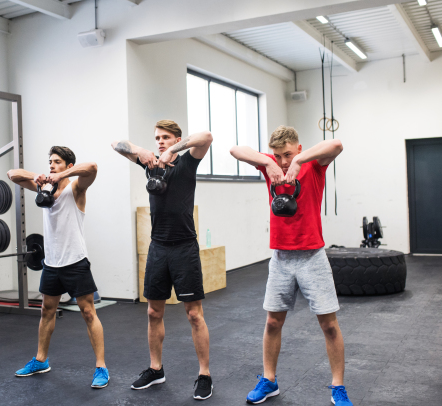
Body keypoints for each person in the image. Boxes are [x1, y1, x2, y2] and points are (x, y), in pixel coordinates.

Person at [230, 126, 353, 406]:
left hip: (313, 256)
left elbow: (336, 144)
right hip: (281, 258)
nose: (283, 161)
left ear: (298, 148)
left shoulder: (311, 165)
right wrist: (267, 162)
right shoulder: (270, 166)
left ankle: (338, 387)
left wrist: (299, 161)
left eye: (287, 155)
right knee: (273, 322)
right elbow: (235, 150)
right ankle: (269, 380)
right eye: (278, 155)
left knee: (329, 325)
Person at [111, 120, 215, 401]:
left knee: (194, 314)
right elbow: (116, 145)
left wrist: (173, 151)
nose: (160, 141)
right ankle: (155, 369)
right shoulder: (150, 165)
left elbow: (206, 136)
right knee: (153, 313)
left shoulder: (187, 163)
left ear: (178, 139)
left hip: (184, 247)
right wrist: (142, 150)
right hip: (158, 247)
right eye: (157, 138)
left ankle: (204, 374)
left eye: (165, 137)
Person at [7, 146, 109, 389]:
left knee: (88, 312)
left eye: (57, 162)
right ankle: (41, 360)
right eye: (50, 162)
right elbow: (12, 174)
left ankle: (101, 367)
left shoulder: (76, 188)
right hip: (51, 264)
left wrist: (62, 176)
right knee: (46, 311)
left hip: (75, 262)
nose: (52, 165)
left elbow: (92, 167)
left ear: (68, 166)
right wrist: (40, 177)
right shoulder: (45, 189)